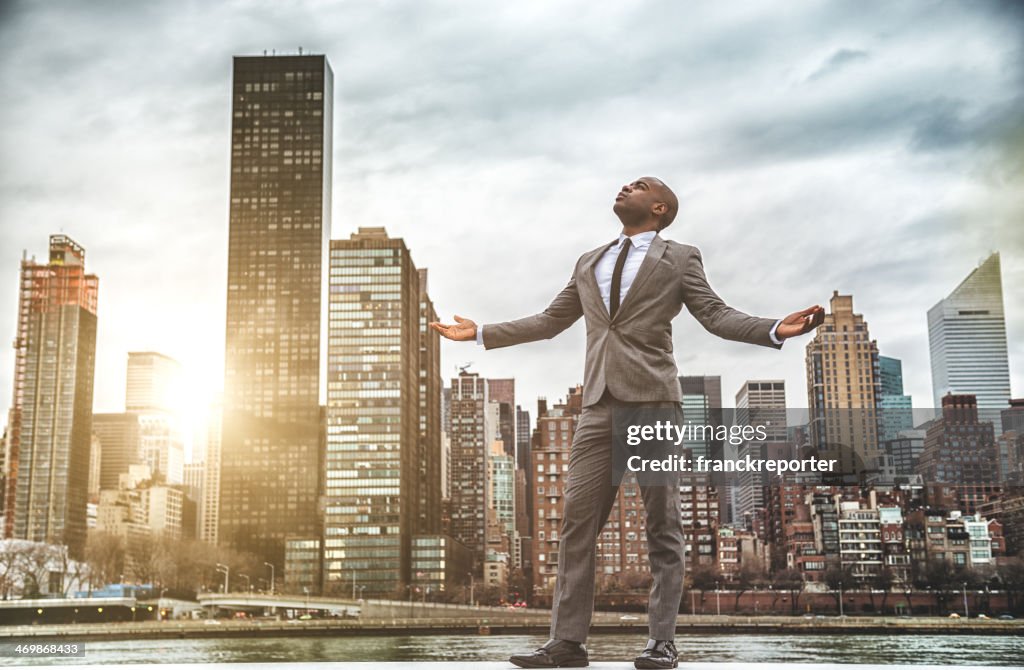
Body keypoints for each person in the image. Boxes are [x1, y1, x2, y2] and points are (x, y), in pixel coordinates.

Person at [430, 177, 823, 669]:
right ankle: (567, 644)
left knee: (663, 525)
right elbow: (550, 320)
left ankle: (661, 642)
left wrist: (773, 328)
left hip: (653, 402)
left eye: (637, 186)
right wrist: (480, 333)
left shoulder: (679, 257)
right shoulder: (588, 261)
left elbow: (715, 314)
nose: (624, 188)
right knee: (576, 527)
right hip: (597, 407)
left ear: (659, 208)